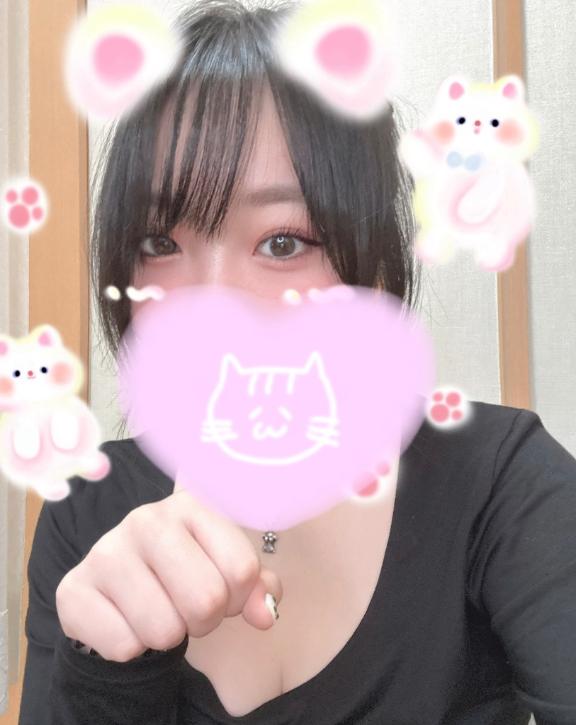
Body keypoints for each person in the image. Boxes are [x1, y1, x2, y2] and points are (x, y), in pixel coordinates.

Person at [18, 1, 576, 724]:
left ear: (376, 267)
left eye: (283, 243)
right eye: (160, 243)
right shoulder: (88, 510)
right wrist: (108, 670)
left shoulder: (500, 482)